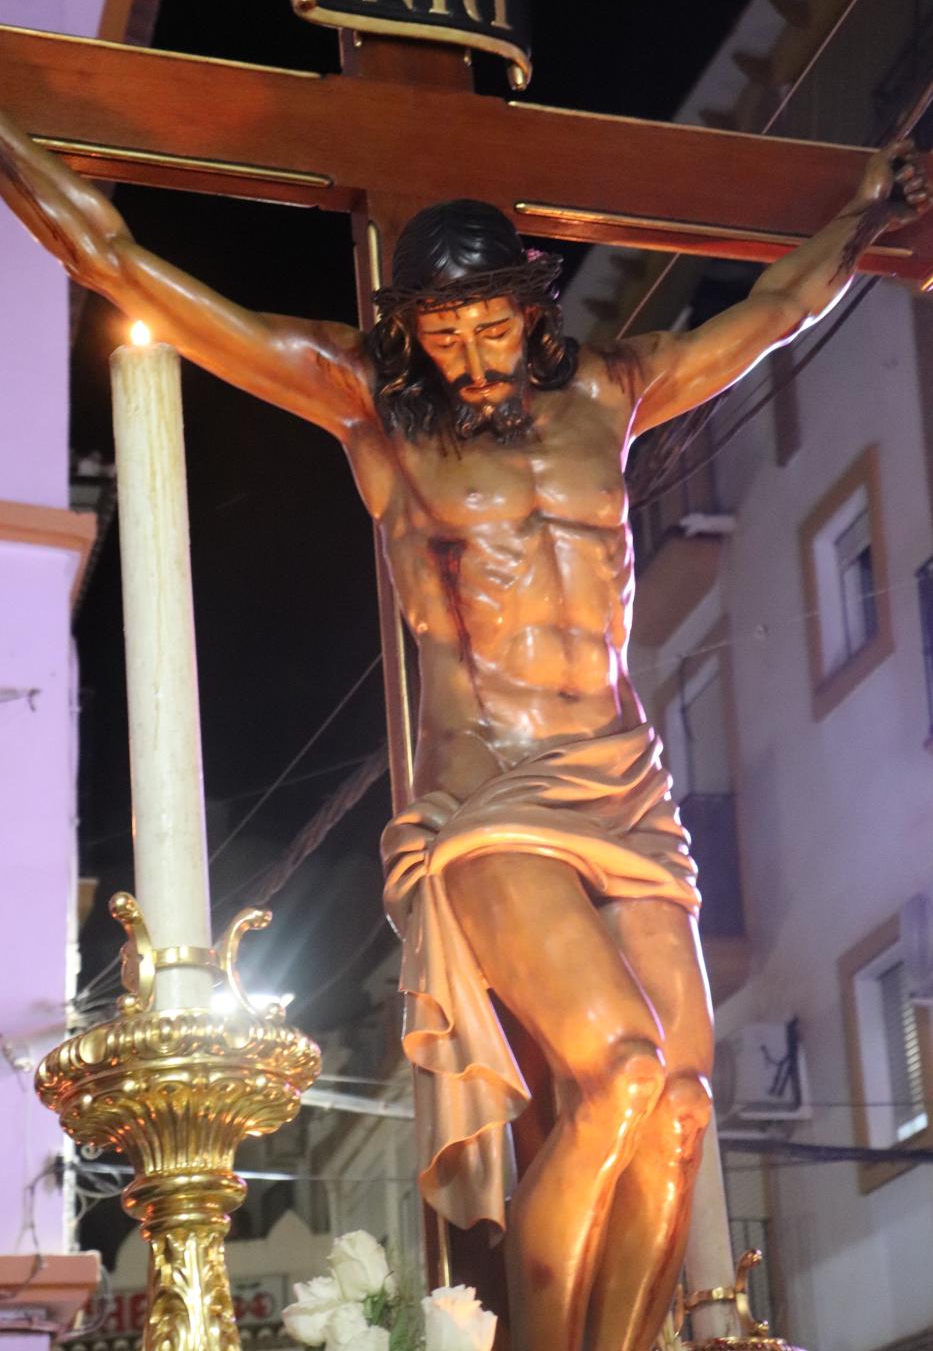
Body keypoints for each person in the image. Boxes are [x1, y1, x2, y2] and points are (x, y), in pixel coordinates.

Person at [0, 109, 927, 1351]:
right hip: (492, 792)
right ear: (411, 335)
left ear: (531, 314)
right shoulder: (371, 407)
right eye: (445, 335)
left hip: (625, 780)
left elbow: (774, 311)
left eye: (493, 329)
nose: (475, 359)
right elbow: (119, 260)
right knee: (622, 1070)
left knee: (686, 1108)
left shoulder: (614, 388)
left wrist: (869, 209)